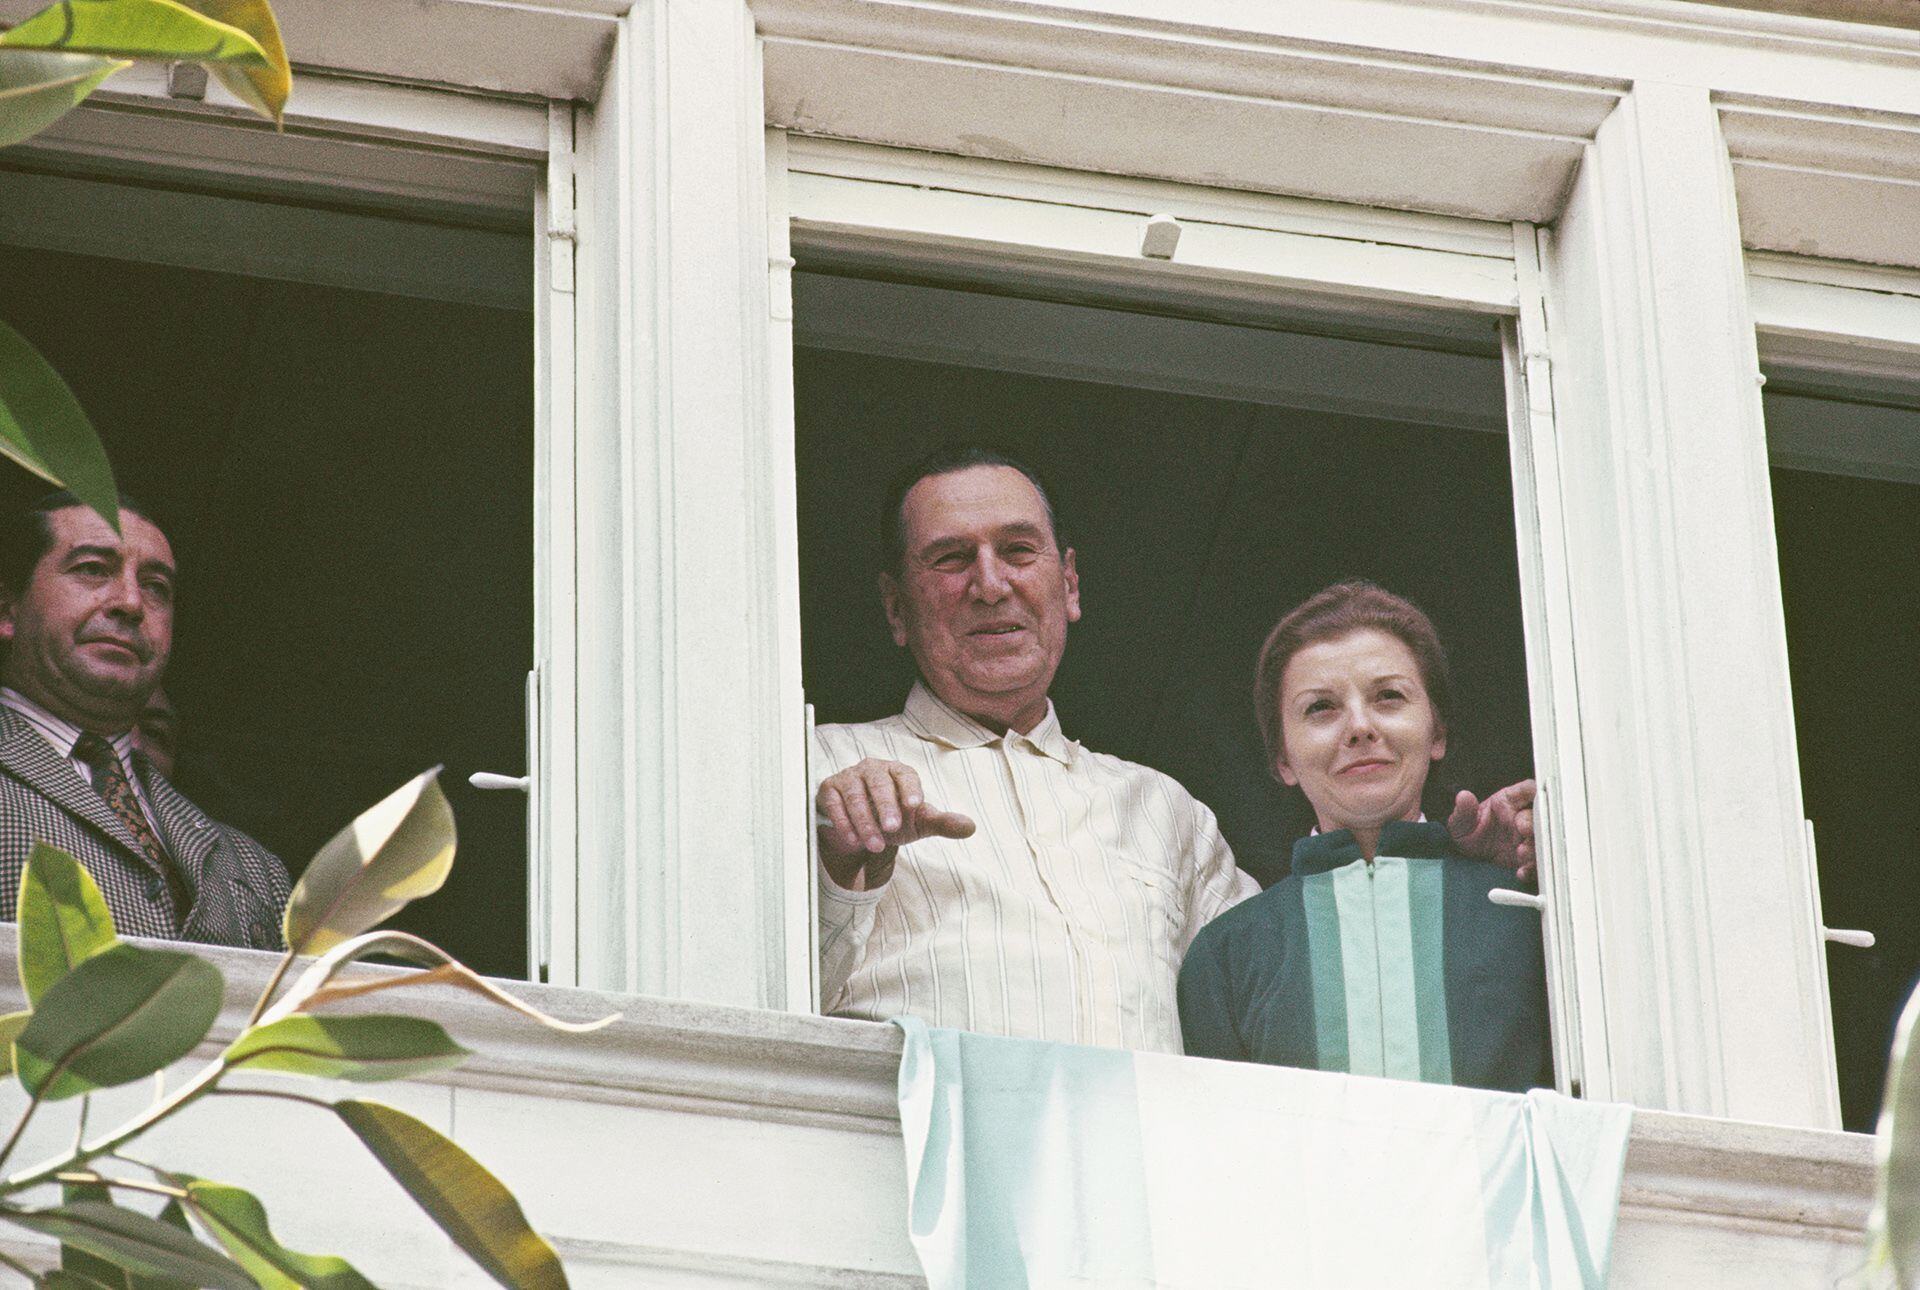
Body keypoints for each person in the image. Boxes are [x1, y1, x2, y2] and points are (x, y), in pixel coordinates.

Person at [814, 448, 1537, 1053]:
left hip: (1148, 1199)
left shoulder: (1165, 808)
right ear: (895, 607)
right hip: (911, 1191)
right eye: (949, 559)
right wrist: (843, 873)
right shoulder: (821, 768)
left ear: (1067, 584)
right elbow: (738, 1003)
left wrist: (1459, 877)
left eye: (1017, 551)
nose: (990, 583)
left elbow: (1292, 1001)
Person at [1177, 581, 1552, 1092]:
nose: (1359, 727)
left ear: (1436, 732)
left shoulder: (1534, 914)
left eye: (1388, 697)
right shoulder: (1226, 955)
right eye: (1321, 708)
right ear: (1282, 758)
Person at [0, 491, 289, 948]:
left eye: (157, 587)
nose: (132, 602)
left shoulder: (257, 870)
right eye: (93, 569)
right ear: (6, 610)